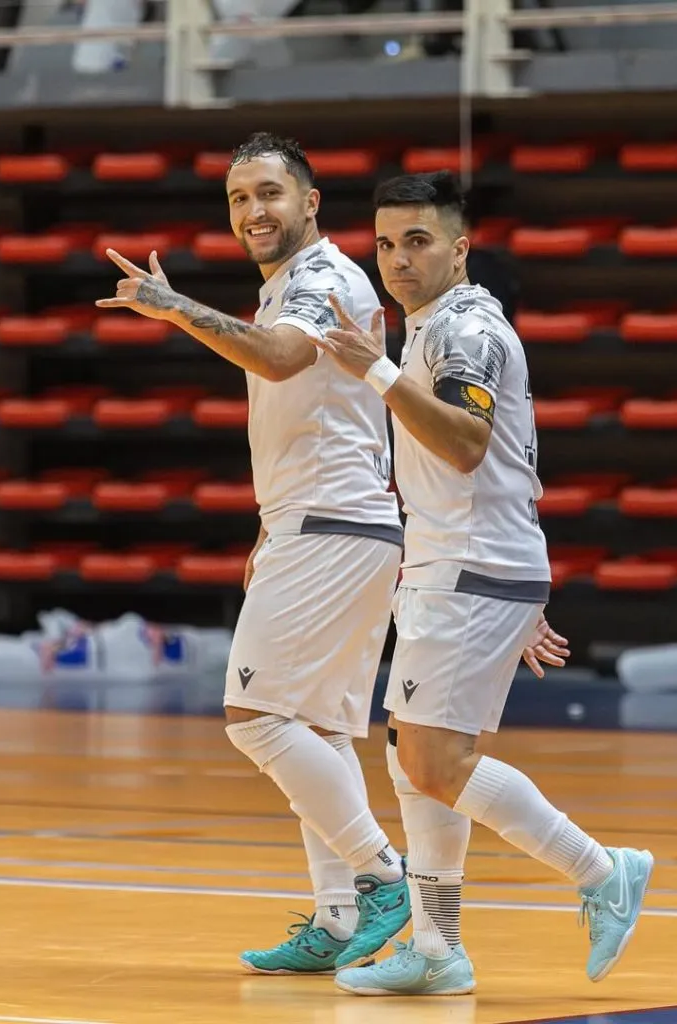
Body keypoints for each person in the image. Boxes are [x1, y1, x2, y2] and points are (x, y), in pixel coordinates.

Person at [309, 170, 654, 996]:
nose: (397, 259)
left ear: (460, 249)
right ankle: (437, 950)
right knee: (411, 756)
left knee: (434, 760)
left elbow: (465, 443)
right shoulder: (433, 324)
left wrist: (377, 374)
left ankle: (602, 869)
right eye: (385, 243)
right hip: (460, 562)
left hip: (472, 564)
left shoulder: (465, 331)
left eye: (418, 241)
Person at [95, 132, 411, 974]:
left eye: (268, 193)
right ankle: (342, 923)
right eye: (238, 199)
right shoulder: (289, 287)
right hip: (326, 525)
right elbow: (315, 415)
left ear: (310, 203)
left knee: (256, 718)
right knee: (317, 727)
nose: (251, 212)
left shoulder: (323, 281)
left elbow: (277, 363)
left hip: (336, 527)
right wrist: (270, 529)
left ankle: (382, 875)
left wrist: (175, 308)